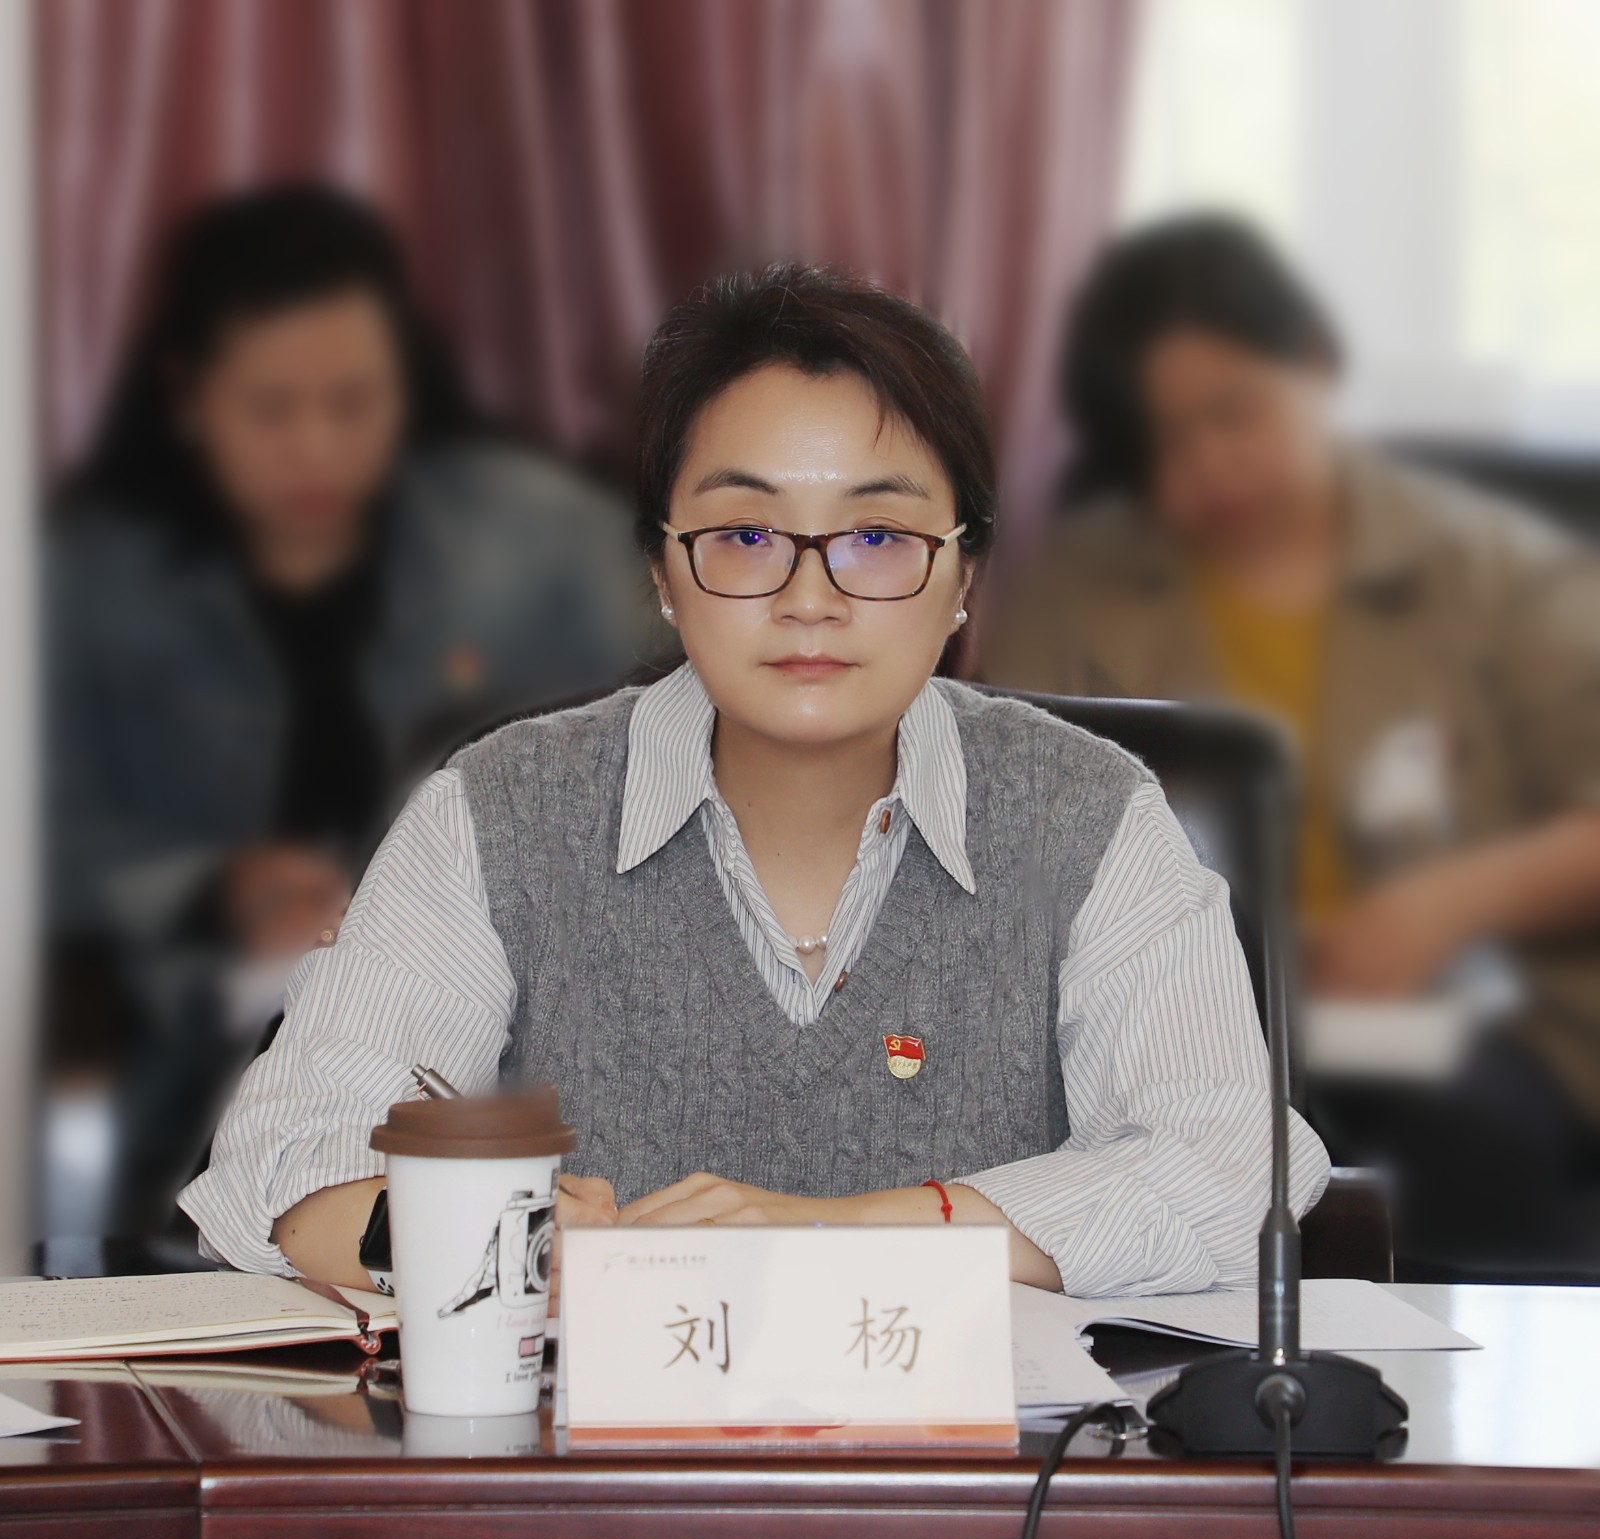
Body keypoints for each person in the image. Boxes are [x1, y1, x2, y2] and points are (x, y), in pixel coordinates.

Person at [180, 263, 1328, 1298]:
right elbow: (285, 1161)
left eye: (877, 537)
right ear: (661, 569)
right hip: (586, 1461)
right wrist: (498, 1241)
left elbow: (1236, 1170)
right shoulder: (498, 811)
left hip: (994, 1465)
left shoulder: (1089, 814)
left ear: (963, 575)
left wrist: (835, 1234)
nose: (809, 598)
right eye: (743, 535)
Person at [984, 215, 1600, 1268]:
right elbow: (997, 815)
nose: (1209, 467)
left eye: (1234, 414)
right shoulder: (1080, 591)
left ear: (1312, 362)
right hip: (1166, 1022)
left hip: (1462, 1031)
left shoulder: (1495, 568)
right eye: (1166, 444)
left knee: (1464, 1151)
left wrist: (1437, 907)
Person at [48, 182, 660, 1222]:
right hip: (182, 1063)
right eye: (273, 410)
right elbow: (44, 835)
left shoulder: (540, 547)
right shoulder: (87, 583)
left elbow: (688, 718)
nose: (319, 449)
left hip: (503, 1053)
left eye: (354, 401)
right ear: (188, 395)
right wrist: (209, 890)